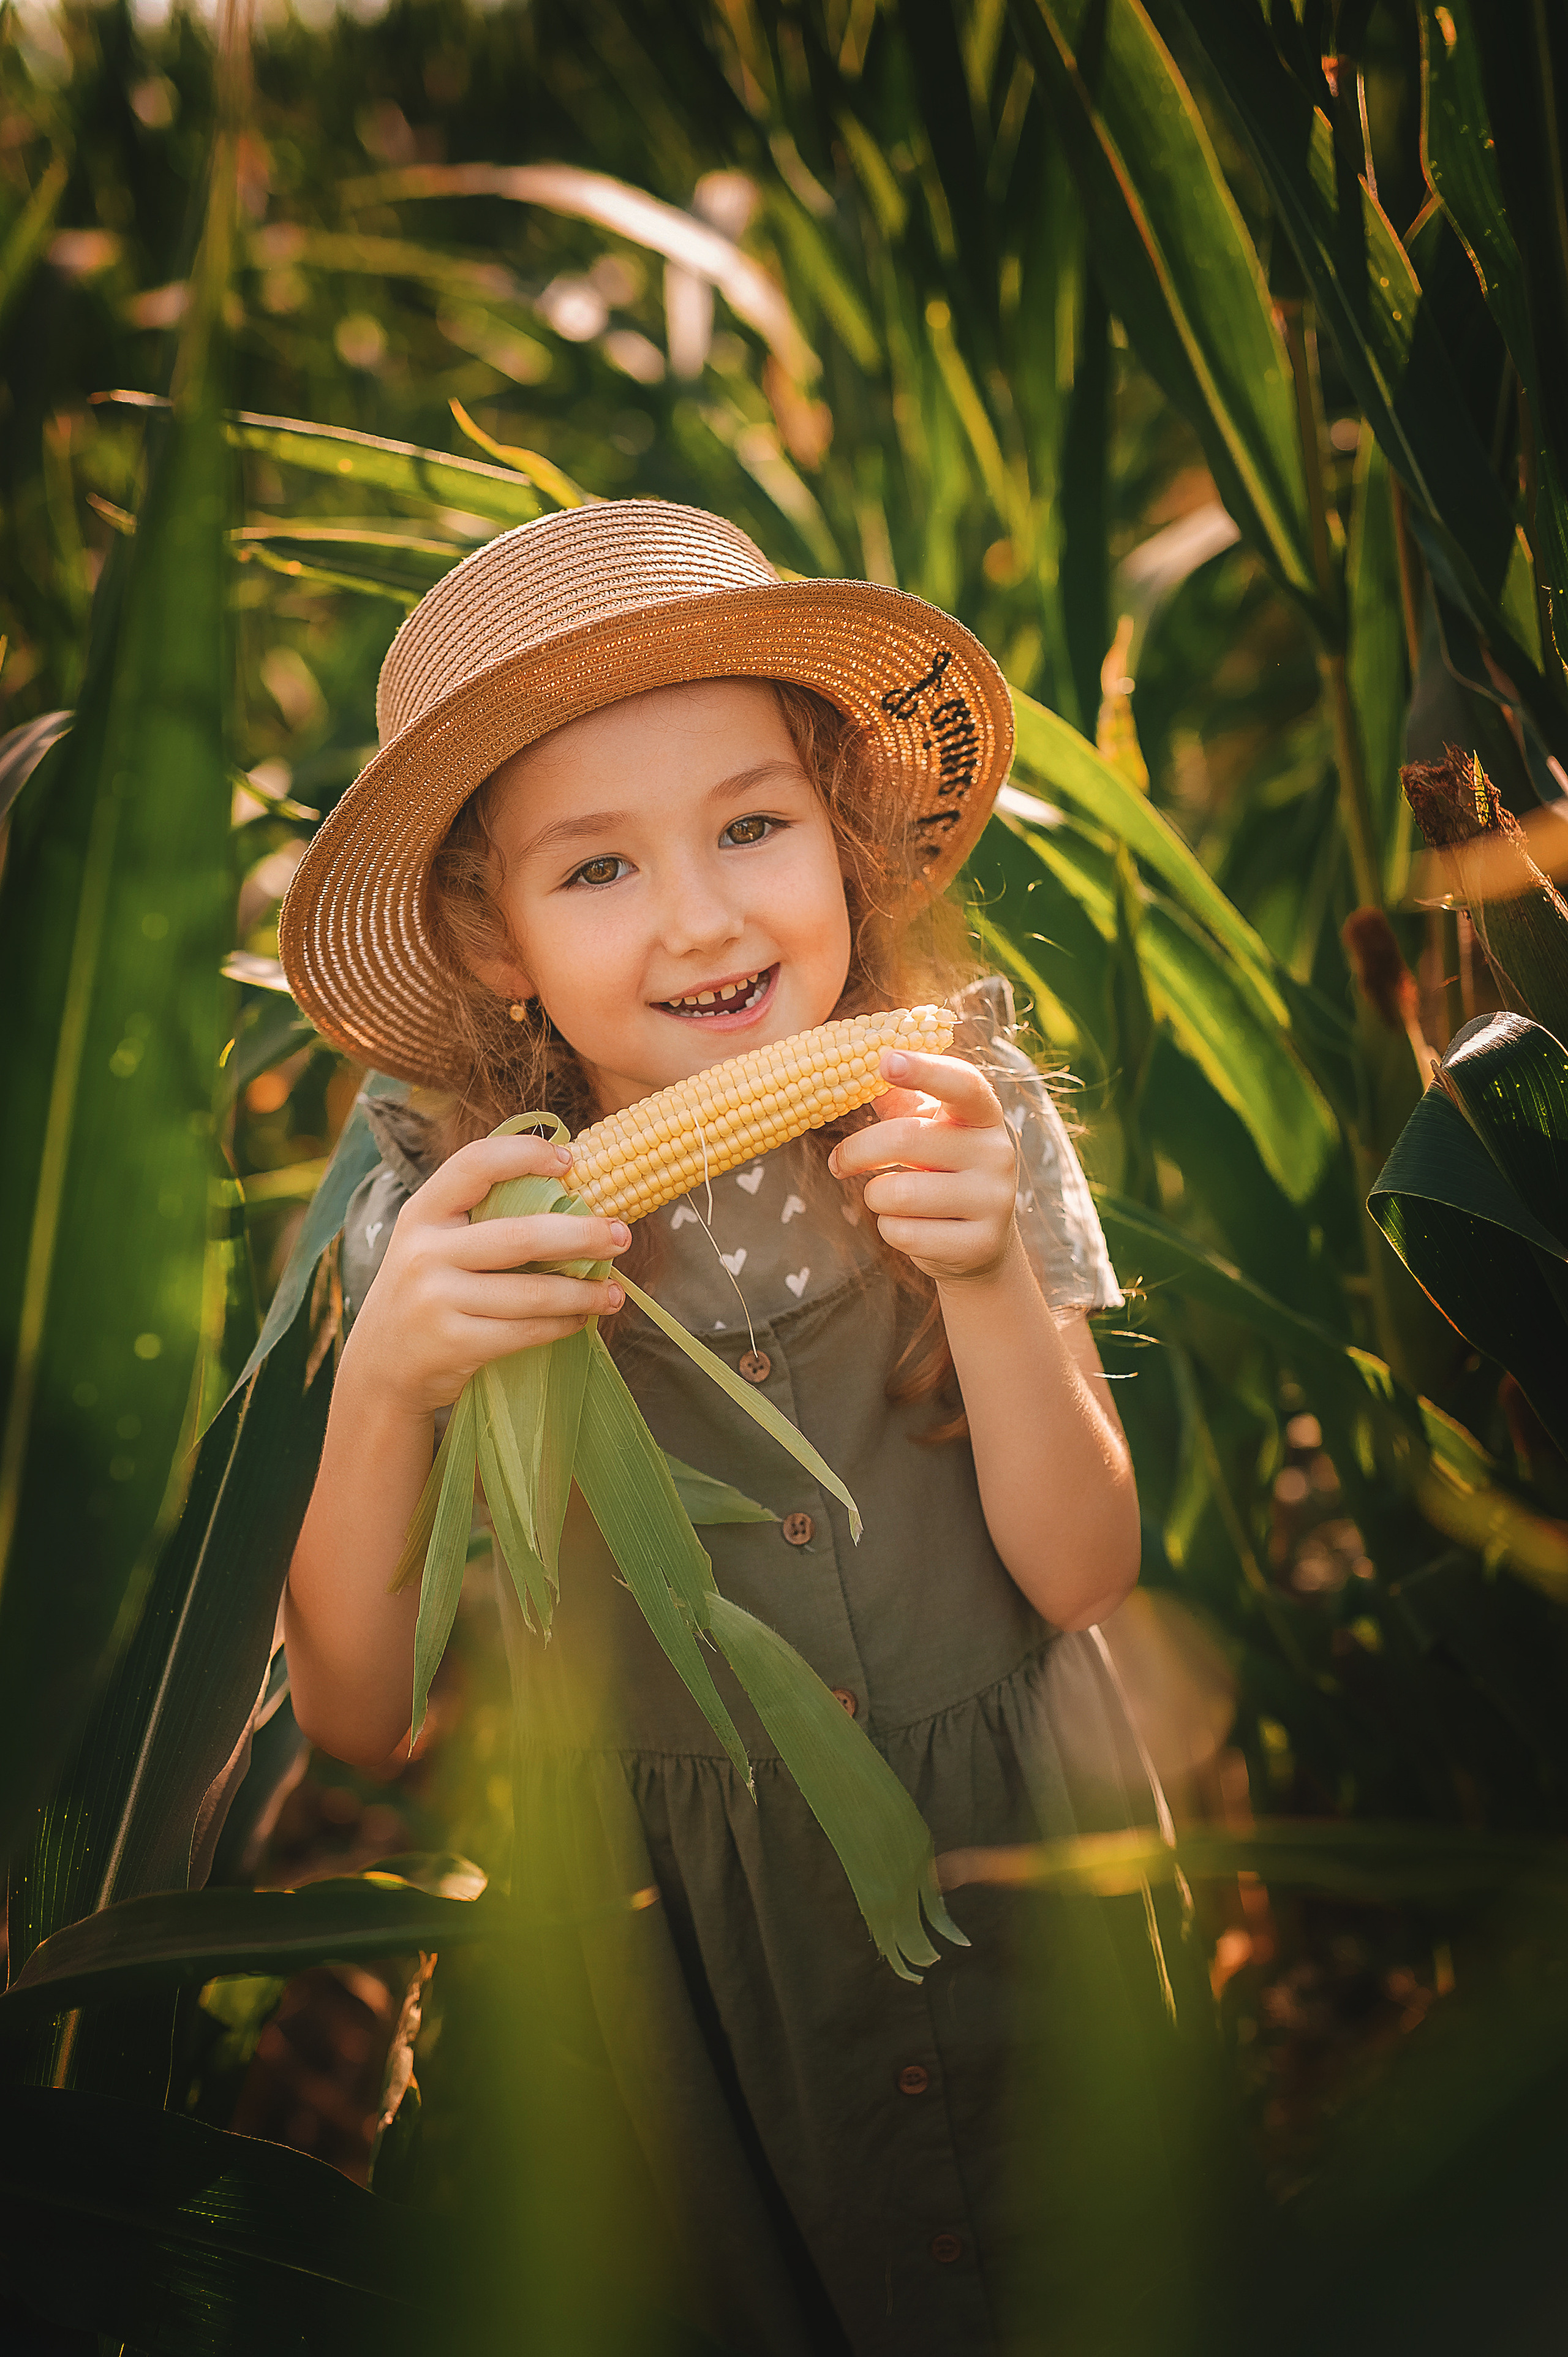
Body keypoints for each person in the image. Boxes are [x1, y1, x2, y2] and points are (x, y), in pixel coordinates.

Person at [279, 500, 1194, 2356]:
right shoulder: (448, 1218)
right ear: (495, 933)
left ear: (848, 851)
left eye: (755, 827)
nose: (702, 915)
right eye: (597, 869)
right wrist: (387, 1378)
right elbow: (355, 1715)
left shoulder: (959, 1115)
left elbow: (1084, 1567)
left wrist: (994, 1282)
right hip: (670, 1972)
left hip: (1012, 1888)